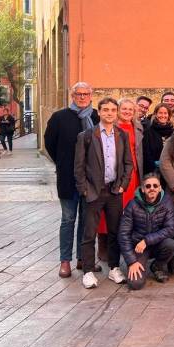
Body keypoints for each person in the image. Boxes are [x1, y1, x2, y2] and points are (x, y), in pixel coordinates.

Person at [74, 97, 134, 289]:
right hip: (93, 191)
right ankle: (89, 271)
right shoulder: (87, 135)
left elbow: (127, 163)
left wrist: (123, 184)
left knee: (115, 231)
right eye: (105, 110)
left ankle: (114, 268)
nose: (109, 113)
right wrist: (84, 189)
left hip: (114, 190)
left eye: (112, 110)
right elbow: (79, 166)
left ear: (116, 113)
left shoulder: (121, 135)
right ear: (98, 112)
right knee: (89, 232)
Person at [44, 81, 99, 278]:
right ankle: (65, 261)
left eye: (85, 94)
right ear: (72, 96)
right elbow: (49, 143)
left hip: (90, 180)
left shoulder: (96, 116)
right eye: (78, 94)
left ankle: (83, 259)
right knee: (68, 220)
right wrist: (62, 163)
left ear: (91, 96)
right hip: (68, 179)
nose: (82, 97)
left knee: (86, 221)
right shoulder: (60, 117)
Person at [95, 98, 144, 264]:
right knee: (108, 210)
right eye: (124, 109)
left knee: (128, 211)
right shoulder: (111, 127)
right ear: (118, 110)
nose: (128, 112)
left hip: (133, 175)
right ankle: (103, 244)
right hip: (116, 173)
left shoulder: (138, 127)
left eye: (131, 109)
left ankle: (123, 245)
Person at [118, 174, 174, 288]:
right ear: (142, 189)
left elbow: (171, 229)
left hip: (156, 244)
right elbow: (123, 235)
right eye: (148, 186)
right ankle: (139, 265)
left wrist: (146, 241)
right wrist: (131, 261)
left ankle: (157, 266)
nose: (152, 188)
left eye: (155, 186)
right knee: (135, 284)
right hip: (138, 248)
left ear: (160, 188)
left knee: (171, 244)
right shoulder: (132, 205)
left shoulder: (167, 202)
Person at [143, 103, 174, 178]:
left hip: (171, 171)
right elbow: (146, 152)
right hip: (154, 172)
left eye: (165, 113)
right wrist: (155, 165)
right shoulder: (148, 131)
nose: (163, 116)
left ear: (169, 115)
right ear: (156, 114)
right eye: (160, 113)